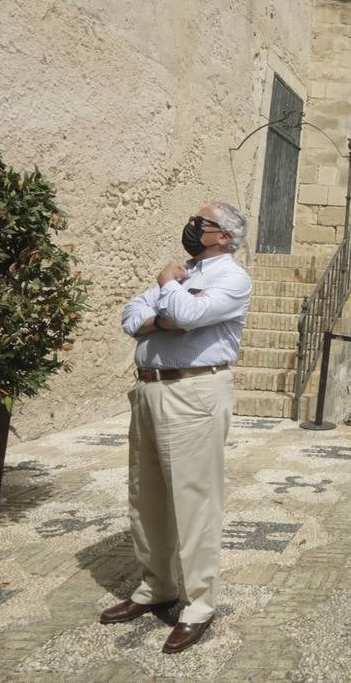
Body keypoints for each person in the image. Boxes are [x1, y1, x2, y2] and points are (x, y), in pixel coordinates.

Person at [102, 202, 252, 654]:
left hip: (194, 393)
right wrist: (164, 312)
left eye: (201, 223)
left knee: (194, 498)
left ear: (224, 236)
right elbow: (132, 317)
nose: (191, 227)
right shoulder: (185, 274)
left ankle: (199, 603)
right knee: (144, 494)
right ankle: (156, 587)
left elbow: (184, 318)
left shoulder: (232, 278)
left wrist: (168, 288)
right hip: (148, 390)